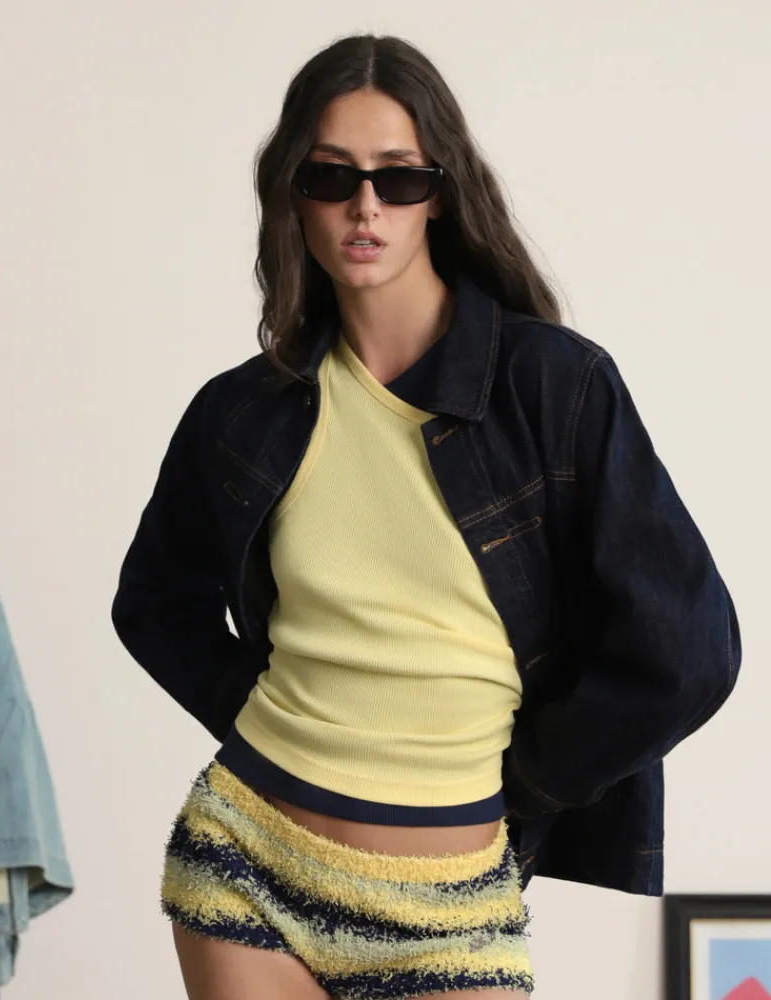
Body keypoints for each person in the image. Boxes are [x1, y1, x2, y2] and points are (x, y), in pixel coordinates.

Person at [111, 33, 741, 1000]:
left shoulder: (553, 385)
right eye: (332, 177)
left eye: (399, 178)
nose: (365, 206)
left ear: (440, 194)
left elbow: (689, 651)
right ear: (295, 194)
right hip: (248, 862)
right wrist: (271, 711)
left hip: (449, 898)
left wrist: (524, 778)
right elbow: (154, 604)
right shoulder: (245, 410)